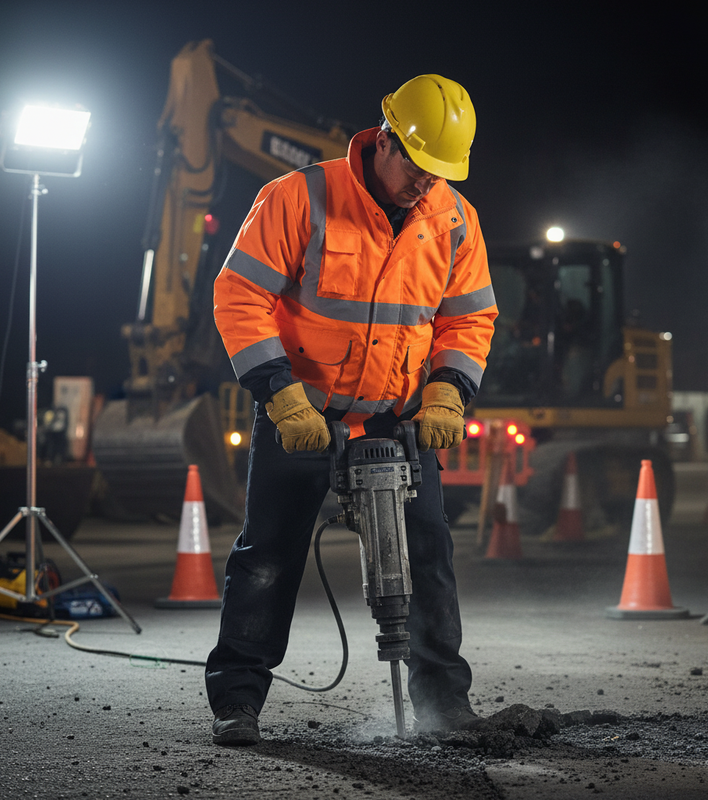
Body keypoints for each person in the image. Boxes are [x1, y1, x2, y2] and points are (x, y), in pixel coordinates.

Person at [206, 74, 497, 745]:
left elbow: (470, 317)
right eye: (419, 167)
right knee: (268, 556)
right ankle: (238, 701)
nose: (427, 184)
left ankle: (444, 704)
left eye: (440, 173)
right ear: (386, 139)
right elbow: (240, 296)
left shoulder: (454, 221)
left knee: (428, 553)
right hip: (302, 413)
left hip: (400, 416)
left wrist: (448, 390)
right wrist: (282, 398)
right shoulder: (300, 196)